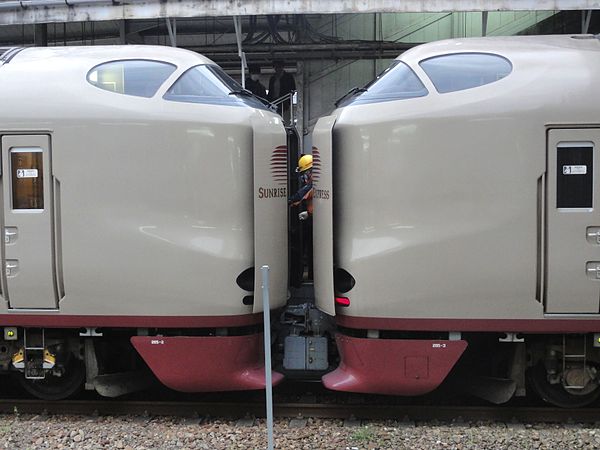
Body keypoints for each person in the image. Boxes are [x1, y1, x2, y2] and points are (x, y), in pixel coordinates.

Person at [289, 154, 313, 280]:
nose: (304, 178)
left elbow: (299, 196)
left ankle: (312, 276)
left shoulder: (311, 185)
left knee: (311, 249)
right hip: (311, 218)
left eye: (304, 174)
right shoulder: (313, 184)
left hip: (314, 221)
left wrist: (289, 200)